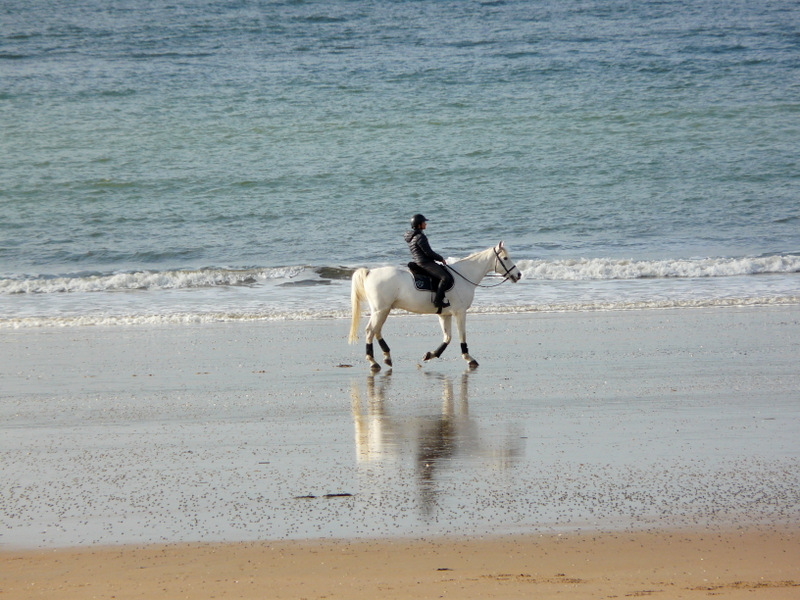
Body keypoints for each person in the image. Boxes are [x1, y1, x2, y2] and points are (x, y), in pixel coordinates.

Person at [404, 213, 454, 312]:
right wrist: (441, 258)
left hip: (418, 262)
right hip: (425, 263)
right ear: (419, 224)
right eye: (424, 222)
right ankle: (437, 301)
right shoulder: (420, 237)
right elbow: (429, 253)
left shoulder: (412, 237)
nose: (425, 224)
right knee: (445, 278)